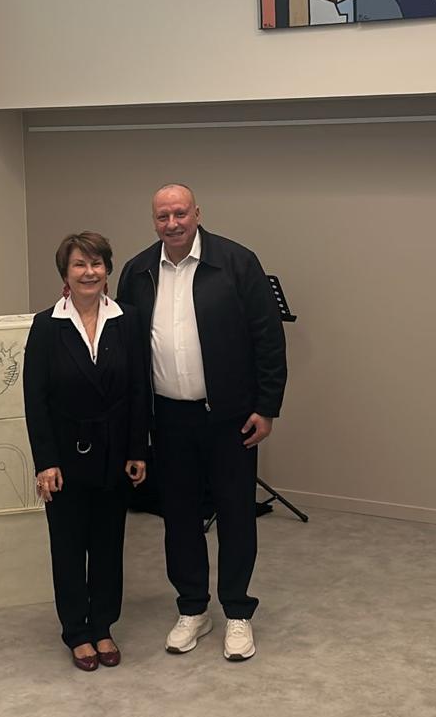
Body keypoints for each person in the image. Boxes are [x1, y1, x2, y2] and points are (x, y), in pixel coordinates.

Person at [117, 185, 287, 663]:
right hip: (168, 418)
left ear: (197, 213)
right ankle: (193, 608)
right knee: (180, 519)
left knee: (236, 514)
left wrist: (266, 405)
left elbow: (268, 339)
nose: (172, 223)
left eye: (180, 213)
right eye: (162, 216)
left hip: (231, 418)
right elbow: (130, 350)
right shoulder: (138, 271)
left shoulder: (236, 263)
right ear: (154, 221)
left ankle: (237, 612)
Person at [23, 231, 148, 672]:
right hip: (64, 457)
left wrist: (137, 448)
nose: (89, 272)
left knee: (109, 544)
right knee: (70, 546)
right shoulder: (45, 325)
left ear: (107, 271)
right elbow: (34, 399)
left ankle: (103, 625)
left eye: (96, 264)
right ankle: (76, 630)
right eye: (79, 264)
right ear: (65, 273)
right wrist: (45, 463)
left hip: (115, 452)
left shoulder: (128, 319)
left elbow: (138, 390)